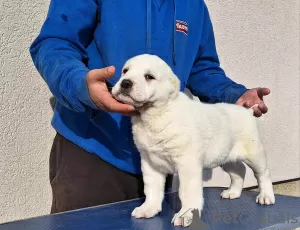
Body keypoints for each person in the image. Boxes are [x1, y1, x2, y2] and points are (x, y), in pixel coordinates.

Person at [29, 0, 270, 214]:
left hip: (160, 151)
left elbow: (202, 68)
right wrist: (81, 86)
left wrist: (235, 95)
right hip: (95, 148)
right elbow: (55, 43)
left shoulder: (193, 5)